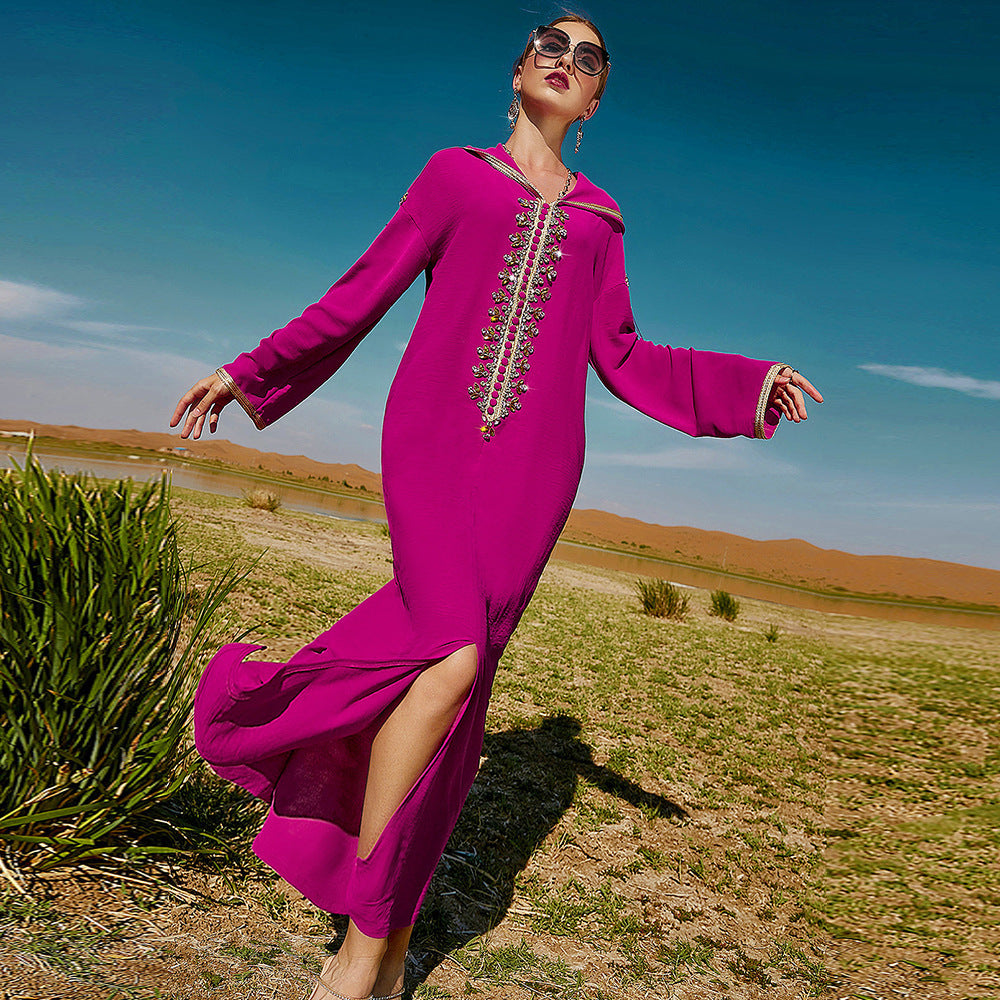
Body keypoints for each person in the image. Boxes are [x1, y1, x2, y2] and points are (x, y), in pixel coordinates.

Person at [171, 15, 822, 1000]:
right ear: (518, 71)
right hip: (431, 445)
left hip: (534, 476)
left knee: (456, 706)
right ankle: (360, 941)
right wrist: (249, 371)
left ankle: (384, 957)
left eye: (588, 57)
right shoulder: (452, 176)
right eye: (549, 44)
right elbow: (361, 293)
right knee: (452, 657)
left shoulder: (602, 220)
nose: (566, 59)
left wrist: (744, 383)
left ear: (594, 100)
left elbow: (626, 358)